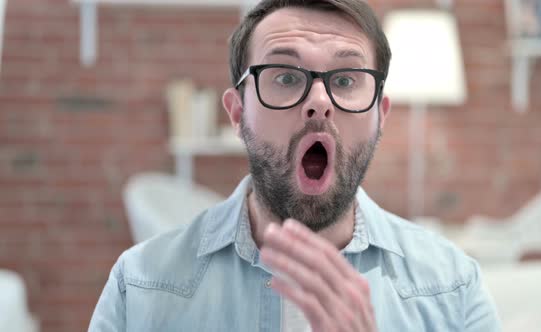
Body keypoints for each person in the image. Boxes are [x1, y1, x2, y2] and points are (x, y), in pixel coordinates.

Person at [89, 0, 500, 331]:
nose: (319, 101)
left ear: (381, 115)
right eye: (285, 77)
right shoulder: (139, 286)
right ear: (237, 113)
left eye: (344, 80)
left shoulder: (453, 289)